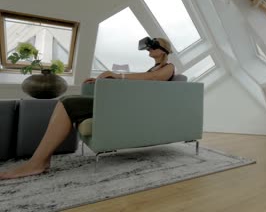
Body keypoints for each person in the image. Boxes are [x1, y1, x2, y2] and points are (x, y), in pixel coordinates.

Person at [0, 37, 174, 180]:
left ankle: (36, 163)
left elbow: (153, 78)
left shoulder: (168, 68)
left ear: (163, 49)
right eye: (148, 48)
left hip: (127, 107)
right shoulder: (153, 68)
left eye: (152, 47)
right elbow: (144, 79)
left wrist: (117, 75)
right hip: (121, 102)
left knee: (68, 102)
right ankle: (41, 160)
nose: (149, 51)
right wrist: (103, 80)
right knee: (66, 99)